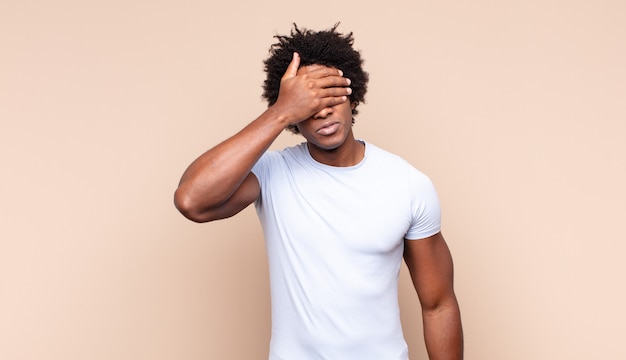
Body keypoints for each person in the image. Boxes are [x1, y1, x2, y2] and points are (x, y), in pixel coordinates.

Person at [174, 23, 463, 360]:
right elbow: (191, 200)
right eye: (307, 103)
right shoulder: (271, 173)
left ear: (351, 94)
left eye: (329, 94)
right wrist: (280, 112)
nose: (322, 110)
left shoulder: (408, 185)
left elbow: (438, 304)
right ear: (294, 117)